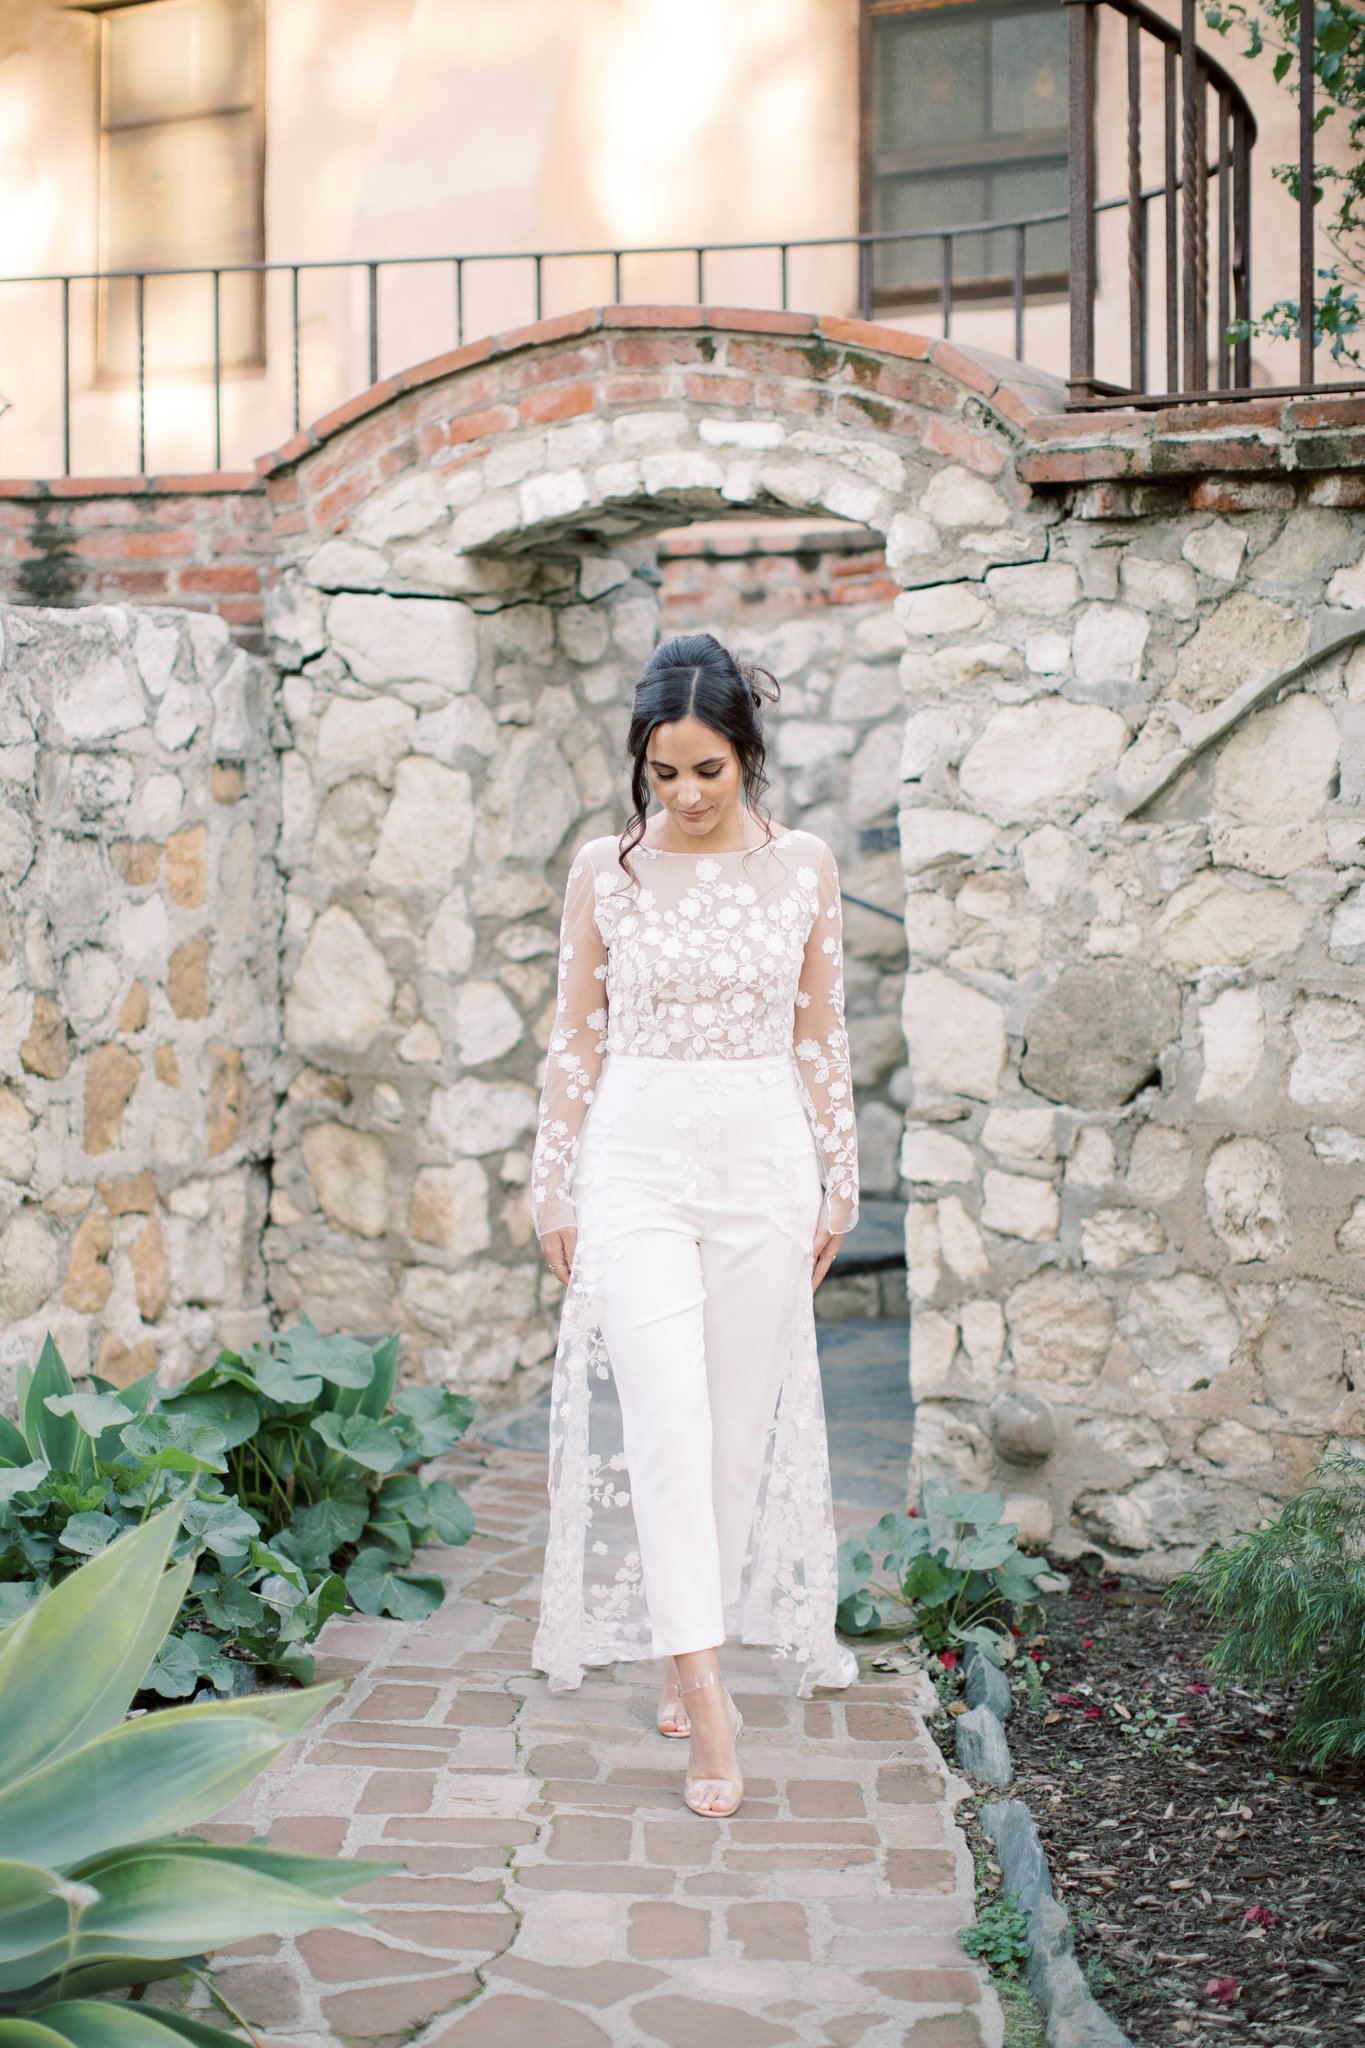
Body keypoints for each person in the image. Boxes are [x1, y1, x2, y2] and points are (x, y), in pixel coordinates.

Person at [529, 630, 859, 1821]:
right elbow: (578, 1037)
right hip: (636, 1162)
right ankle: (707, 1690)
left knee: (731, 1430)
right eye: (663, 772)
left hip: (765, 1158)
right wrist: (551, 1184)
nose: (684, 795)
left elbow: (821, 1028)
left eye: (707, 770)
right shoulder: (603, 870)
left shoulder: (807, 866)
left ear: (748, 755)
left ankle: (692, 1635)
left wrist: (841, 1180)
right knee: (665, 1413)